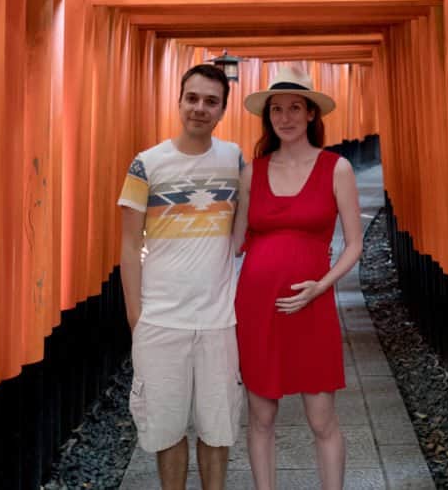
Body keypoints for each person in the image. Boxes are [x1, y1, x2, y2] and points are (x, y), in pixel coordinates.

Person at [232, 67, 364, 490]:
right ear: (267, 117)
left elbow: (354, 245)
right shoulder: (252, 172)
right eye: (276, 109)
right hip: (256, 305)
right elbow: (233, 241)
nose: (285, 117)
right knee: (261, 416)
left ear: (310, 114)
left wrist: (320, 286)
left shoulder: (336, 167)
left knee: (321, 417)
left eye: (294, 108)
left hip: (313, 303)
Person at [117, 63, 244, 490]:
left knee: (218, 427)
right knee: (166, 431)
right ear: (179, 101)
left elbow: (248, 228)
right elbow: (130, 245)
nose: (200, 109)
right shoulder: (146, 164)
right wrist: (137, 316)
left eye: (211, 101)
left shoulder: (234, 160)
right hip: (161, 318)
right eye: (192, 98)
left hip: (217, 319)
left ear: (223, 109)